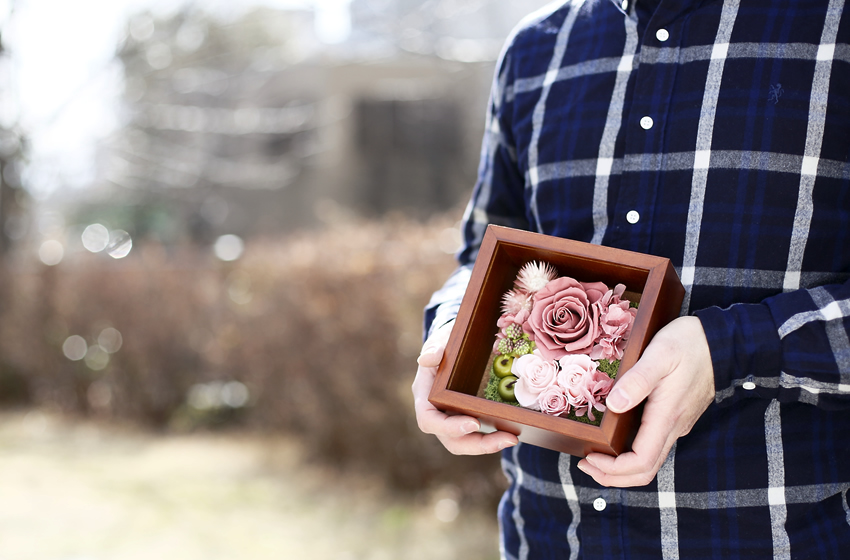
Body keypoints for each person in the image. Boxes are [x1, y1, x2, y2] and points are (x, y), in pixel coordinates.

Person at [412, 0, 850, 558]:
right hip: (547, 538)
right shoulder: (535, 49)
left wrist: (732, 349)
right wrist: (452, 335)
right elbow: (483, 253)